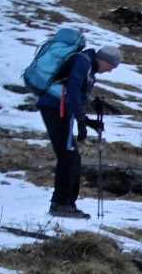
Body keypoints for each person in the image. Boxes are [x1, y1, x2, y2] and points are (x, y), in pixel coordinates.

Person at [37, 43, 121, 219]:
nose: (110, 71)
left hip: (60, 109)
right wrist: (81, 120)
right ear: (103, 59)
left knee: (73, 157)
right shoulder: (83, 62)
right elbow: (73, 88)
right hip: (54, 107)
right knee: (68, 157)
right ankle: (60, 204)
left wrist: (88, 121)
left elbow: (75, 92)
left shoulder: (88, 67)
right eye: (111, 66)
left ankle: (67, 203)